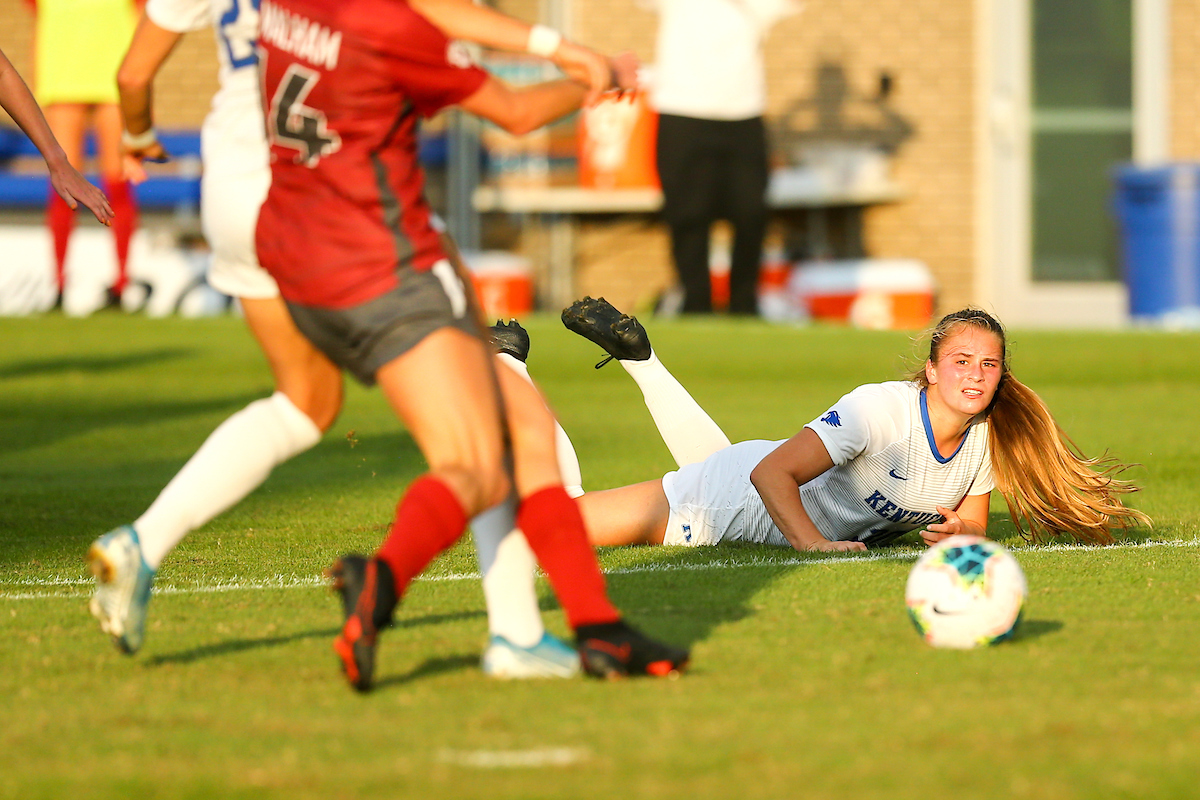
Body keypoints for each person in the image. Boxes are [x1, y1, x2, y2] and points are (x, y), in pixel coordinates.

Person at [88, 0, 687, 689]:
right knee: (480, 456)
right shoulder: (388, 27)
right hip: (377, 252)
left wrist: (555, 47)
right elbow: (515, 110)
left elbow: (137, 74)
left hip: (281, 227)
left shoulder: (288, 11)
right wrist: (594, 75)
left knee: (362, 409)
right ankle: (407, 588)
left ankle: (561, 628)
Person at [552, 297, 1149, 550]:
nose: (975, 375)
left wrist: (961, 535)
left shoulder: (985, 438)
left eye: (988, 365)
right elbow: (767, 475)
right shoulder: (879, 410)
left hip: (747, 476)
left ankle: (642, 361)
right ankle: (511, 363)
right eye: (961, 362)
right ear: (931, 370)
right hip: (732, 506)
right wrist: (813, 546)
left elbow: (971, 522)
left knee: (714, 460)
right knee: (553, 531)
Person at [641, 0, 798, 315]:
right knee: (687, 215)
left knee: (751, 212)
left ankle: (745, 305)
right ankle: (694, 303)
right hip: (681, 111)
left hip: (744, 114)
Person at [23, 0, 139, 308]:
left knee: (117, 180)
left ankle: (121, 283)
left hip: (116, 76)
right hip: (64, 74)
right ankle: (59, 284)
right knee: (63, 181)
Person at [0, 46, 112, 227]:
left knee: (115, 182)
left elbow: (2, 73)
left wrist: (58, 161)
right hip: (67, 81)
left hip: (107, 77)